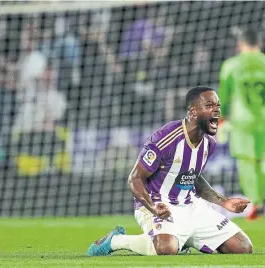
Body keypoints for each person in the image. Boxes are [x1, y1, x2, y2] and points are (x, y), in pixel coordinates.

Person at [87, 86, 253, 256]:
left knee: (242, 247)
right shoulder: (165, 138)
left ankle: (182, 239)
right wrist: (153, 208)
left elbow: (193, 178)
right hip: (159, 204)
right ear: (193, 111)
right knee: (166, 249)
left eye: (218, 106)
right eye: (210, 105)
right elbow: (134, 179)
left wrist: (224, 202)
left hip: (190, 205)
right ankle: (115, 241)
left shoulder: (209, 143)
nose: (217, 110)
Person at [217, 27, 265, 221]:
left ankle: (253, 202)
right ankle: (259, 203)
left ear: (240, 45)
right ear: (259, 44)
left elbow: (223, 97)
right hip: (264, 120)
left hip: (241, 120)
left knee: (245, 161)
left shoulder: (230, 66)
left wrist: (220, 120)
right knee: (259, 162)